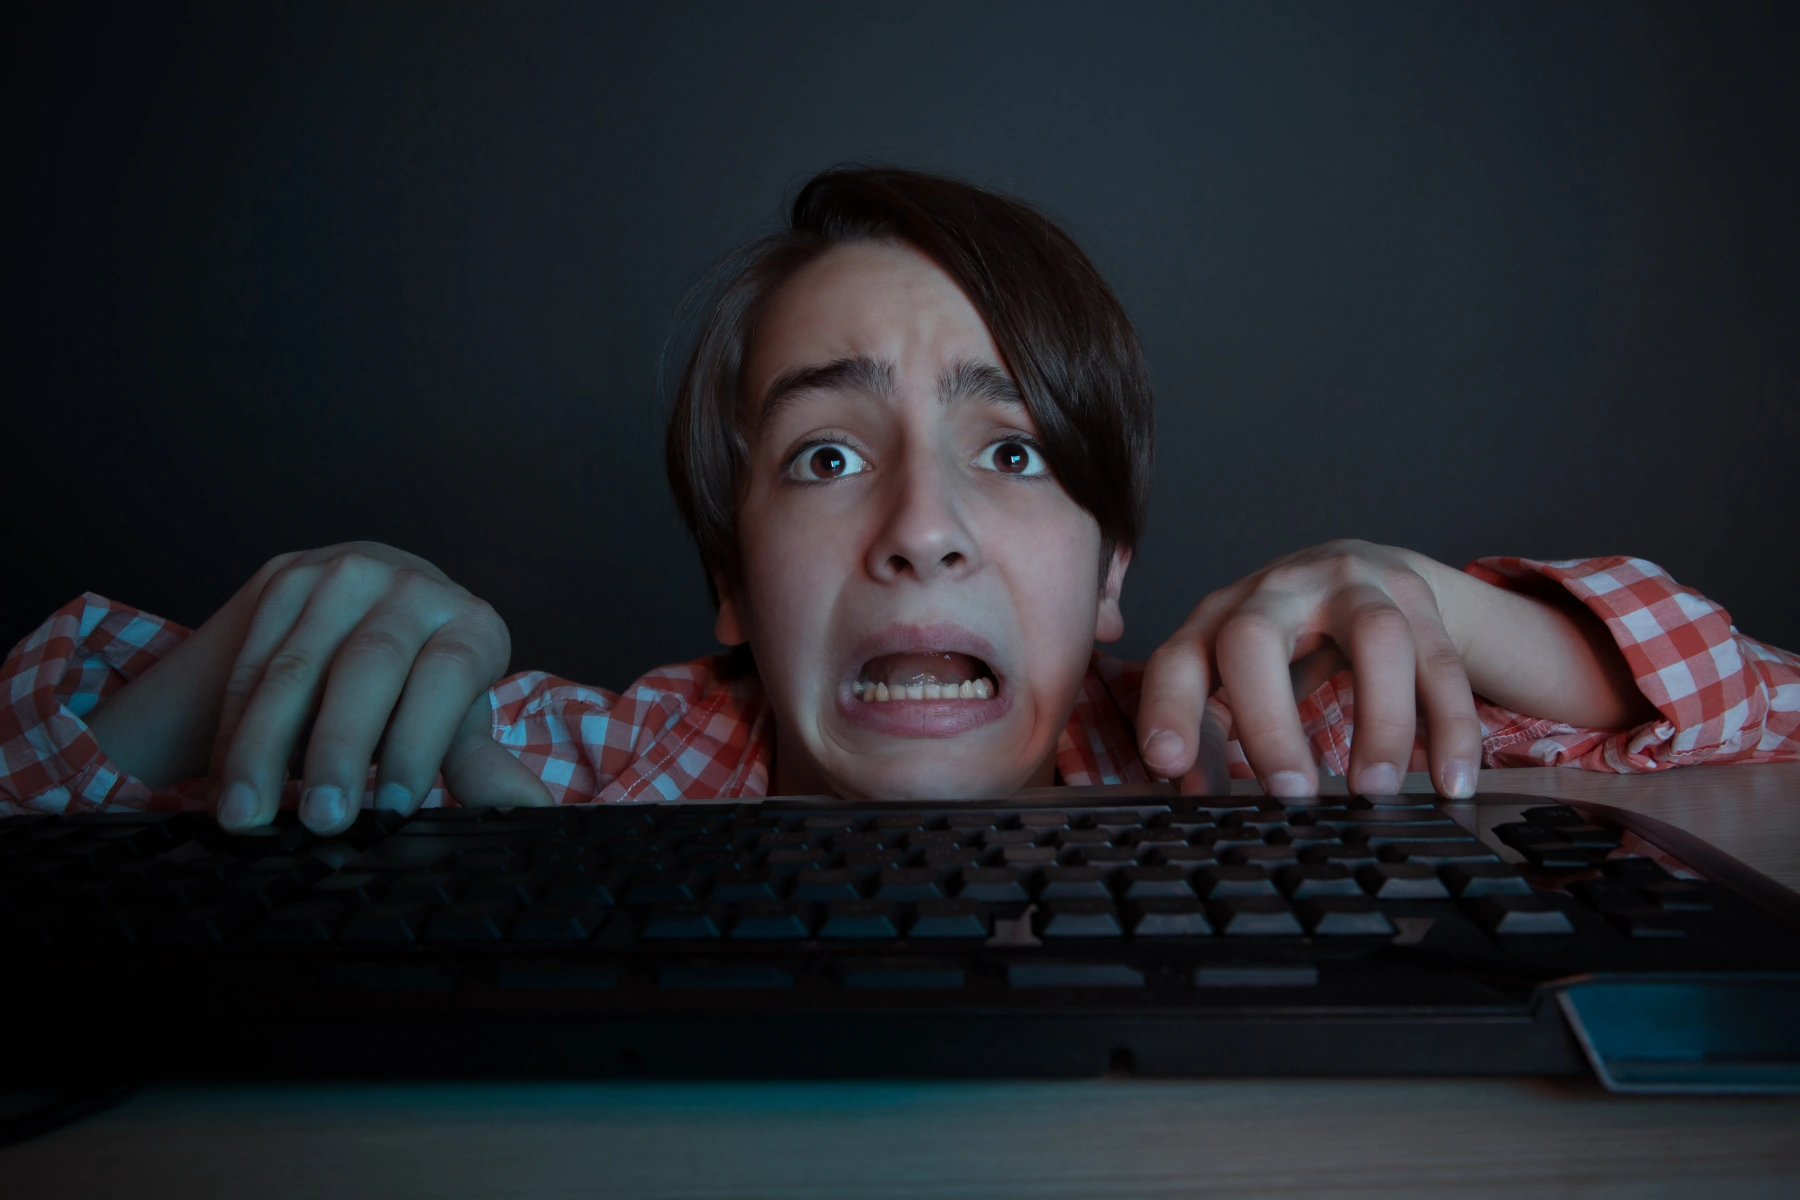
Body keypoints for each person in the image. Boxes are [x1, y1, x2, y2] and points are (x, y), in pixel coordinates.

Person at [3, 167, 1795, 838]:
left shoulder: (1270, 757)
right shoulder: (587, 767)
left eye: (1013, 455)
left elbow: (1765, 727)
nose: (919, 529)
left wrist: (1447, 607)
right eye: (827, 457)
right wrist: (262, 653)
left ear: (1113, 586)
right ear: (729, 581)